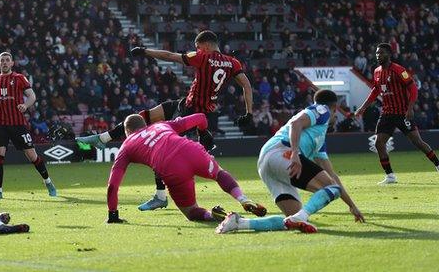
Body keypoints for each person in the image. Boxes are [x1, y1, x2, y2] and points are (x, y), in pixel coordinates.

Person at [77, 30, 254, 211]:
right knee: (142, 117)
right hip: (187, 105)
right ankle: (103, 138)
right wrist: (249, 113)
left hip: (189, 111)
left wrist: (145, 51)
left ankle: (161, 196)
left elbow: (169, 56)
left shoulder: (203, 57)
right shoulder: (233, 63)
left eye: (198, 47)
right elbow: (247, 86)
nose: (197, 49)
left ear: (206, 46)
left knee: (160, 147)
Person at [216, 90, 365, 234]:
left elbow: (332, 175)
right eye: (336, 113)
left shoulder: (319, 140)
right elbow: (296, 123)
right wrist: (295, 153)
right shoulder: (323, 110)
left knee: (291, 220)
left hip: (267, 162)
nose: (336, 116)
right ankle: (301, 217)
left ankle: (239, 223)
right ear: (334, 108)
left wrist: (351, 206)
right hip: (282, 152)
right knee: (332, 189)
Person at [105, 113, 266, 224]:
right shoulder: (161, 125)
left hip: (170, 167)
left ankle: (213, 215)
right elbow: (200, 118)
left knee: (191, 212)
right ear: (144, 125)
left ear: (127, 132)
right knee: (218, 173)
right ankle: (242, 198)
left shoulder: (126, 146)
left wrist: (113, 214)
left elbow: (113, 184)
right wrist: (202, 132)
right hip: (190, 150)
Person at [355, 43, 439, 184]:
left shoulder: (399, 70)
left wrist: (410, 108)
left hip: (402, 113)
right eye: (377, 53)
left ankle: (437, 164)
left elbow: (413, 89)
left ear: (389, 54)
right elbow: (375, 91)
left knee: (417, 142)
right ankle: (390, 176)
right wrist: (363, 107)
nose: (378, 55)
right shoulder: (377, 71)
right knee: (379, 143)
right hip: (387, 113)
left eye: (381, 53)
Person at [0, 52, 57, 199]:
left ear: (12, 63)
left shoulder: (19, 78)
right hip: (1, 124)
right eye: (1, 60)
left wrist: (25, 105)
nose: (4, 62)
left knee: (32, 156)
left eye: (7, 60)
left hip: (18, 124)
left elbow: (32, 96)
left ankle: (48, 182)